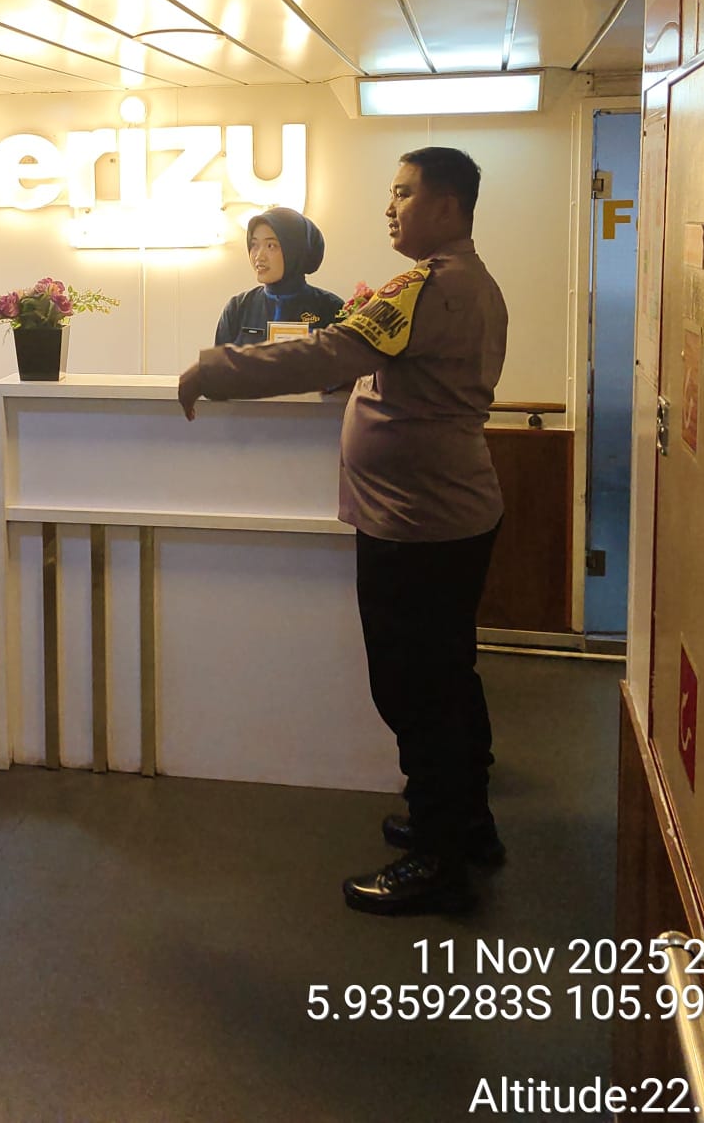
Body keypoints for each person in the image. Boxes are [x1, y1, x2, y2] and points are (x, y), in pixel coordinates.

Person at [179, 148, 506, 915]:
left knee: (415, 690)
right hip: (444, 515)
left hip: (417, 524)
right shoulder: (469, 280)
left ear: (448, 206)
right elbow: (366, 361)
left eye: (403, 194)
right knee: (448, 678)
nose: (390, 208)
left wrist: (215, 370)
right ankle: (465, 822)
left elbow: (330, 350)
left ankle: (438, 860)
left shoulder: (427, 286)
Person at [214, 207, 343, 346]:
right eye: (254, 245)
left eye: (271, 246)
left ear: (295, 250)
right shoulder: (238, 308)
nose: (259, 256)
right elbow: (220, 359)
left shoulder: (331, 309)